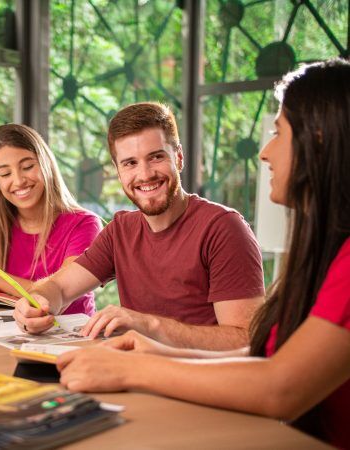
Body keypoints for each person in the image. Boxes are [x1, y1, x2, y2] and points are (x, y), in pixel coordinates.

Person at [56, 59, 350, 448]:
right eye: (129, 163)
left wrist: (133, 370)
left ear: (318, 140)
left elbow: (280, 387)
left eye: (278, 132)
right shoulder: (328, 250)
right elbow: (263, 360)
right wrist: (156, 354)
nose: (264, 152)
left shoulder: (228, 228)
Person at [14, 102, 265, 350]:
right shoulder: (121, 230)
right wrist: (38, 302)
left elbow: (245, 340)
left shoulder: (223, 228)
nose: (144, 175)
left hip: (197, 384)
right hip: (136, 373)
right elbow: (59, 287)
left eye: (156, 157)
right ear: (118, 170)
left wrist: (149, 325)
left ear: (178, 158)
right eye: (130, 163)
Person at [0, 124, 101, 316]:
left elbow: (57, 294)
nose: (19, 181)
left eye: (27, 167)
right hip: (3, 335)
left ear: (46, 165)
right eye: (5, 174)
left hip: (70, 338)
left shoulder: (84, 224)